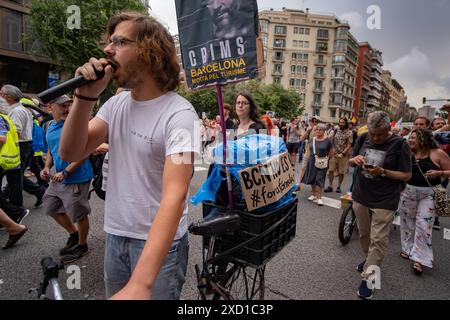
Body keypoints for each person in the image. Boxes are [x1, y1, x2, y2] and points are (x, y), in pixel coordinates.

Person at [59, 12, 200, 300]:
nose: (107, 50)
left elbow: (175, 194)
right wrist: (84, 98)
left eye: (120, 42)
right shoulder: (116, 104)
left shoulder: (182, 115)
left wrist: (141, 284)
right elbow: (71, 152)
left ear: (151, 51)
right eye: (109, 42)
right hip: (116, 235)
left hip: (159, 245)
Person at [349, 111, 412, 300]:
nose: (375, 138)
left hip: (385, 199)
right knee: (364, 234)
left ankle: (369, 278)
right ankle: (370, 260)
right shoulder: (362, 138)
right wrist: (356, 160)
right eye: (372, 134)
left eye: (380, 134)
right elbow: (351, 161)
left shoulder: (400, 144)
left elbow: (406, 176)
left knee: (379, 240)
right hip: (361, 195)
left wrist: (383, 171)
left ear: (389, 129)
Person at [40, 95, 93, 264]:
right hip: (58, 177)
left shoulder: (75, 125)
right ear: (50, 107)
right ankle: (73, 234)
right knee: (50, 205)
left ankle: (82, 245)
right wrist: (47, 166)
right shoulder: (48, 125)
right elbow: (51, 149)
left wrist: (66, 172)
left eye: (69, 105)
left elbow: (85, 151)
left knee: (79, 214)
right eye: (62, 106)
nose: (67, 109)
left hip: (76, 176)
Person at [397, 129, 450, 275]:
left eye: (414, 138)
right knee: (407, 222)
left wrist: (440, 173)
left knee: (423, 225)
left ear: (423, 139)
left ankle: (419, 259)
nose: (411, 140)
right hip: (409, 192)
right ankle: (407, 249)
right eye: (410, 138)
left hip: (429, 194)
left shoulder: (437, 153)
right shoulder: (408, 152)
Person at [0, 85, 45, 208]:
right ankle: (37, 191)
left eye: (1, 94)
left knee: (14, 177)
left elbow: (16, 130)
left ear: (8, 97)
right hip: (21, 145)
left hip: (19, 146)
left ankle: (16, 207)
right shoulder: (18, 109)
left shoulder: (17, 111)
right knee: (15, 176)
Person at [302, 123, 333, 206]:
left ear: (324, 131)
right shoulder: (312, 139)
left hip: (322, 163)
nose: (318, 131)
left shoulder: (328, 140)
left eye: (320, 130)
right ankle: (313, 194)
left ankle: (319, 197)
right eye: (317, 129)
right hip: (311, 162)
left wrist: (326, 160)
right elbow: (308, 150)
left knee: (319, 179)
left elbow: (331, 153)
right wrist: (306, 161)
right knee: (312, 178)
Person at [324, 117, 353, 194]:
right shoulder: (336, 130)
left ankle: (339, 186)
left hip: (343, 155)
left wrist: (343, 153)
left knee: (341, 172)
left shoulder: (349, 132)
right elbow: (331, 140)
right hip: (334, 153)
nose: (341, 124)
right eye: (340, 122)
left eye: (343, 122)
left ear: (346, 123)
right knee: (330, 170)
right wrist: (332, 149)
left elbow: (349, 144)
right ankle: (330, 186)